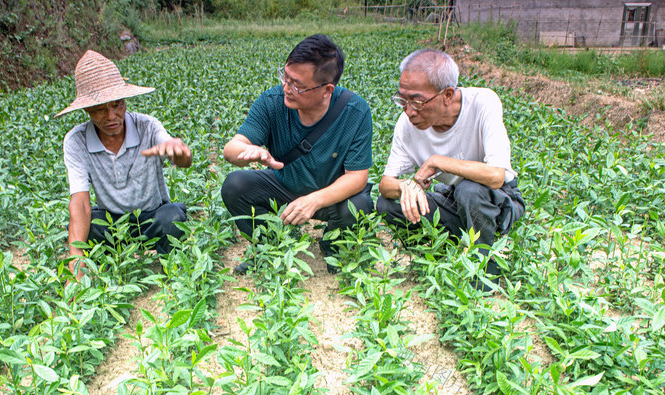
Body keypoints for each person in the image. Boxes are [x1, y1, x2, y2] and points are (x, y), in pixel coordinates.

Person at [221, 34, 373, 274]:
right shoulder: (272, 102)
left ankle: (334, 247)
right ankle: (270, 245)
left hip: (329, 195)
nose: (286, 88)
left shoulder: (355, 111)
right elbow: (231, 149)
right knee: (235, 185)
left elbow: (357, 176)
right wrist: (248, 151)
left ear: (327, 90)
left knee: (360, 204)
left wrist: (313, 201)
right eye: (285, 77)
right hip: (284, 186)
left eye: (297, 85)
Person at [377, 48, 526, 286]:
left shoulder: (482, 103)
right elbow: (386, 184)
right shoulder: (407, 125)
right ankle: (438, 255)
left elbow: (496, 176)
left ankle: (484, 268)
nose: (408, 111)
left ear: (447, 94)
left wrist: (438, 161)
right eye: (402, 100)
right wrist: (408, 186)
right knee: (387, 203)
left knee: (470, 190)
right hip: (452, 200)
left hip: (496, 199)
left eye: (416, 101)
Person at [55, 50, 192, 279]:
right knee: (83, 228)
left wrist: (179, 151)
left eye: (117, 105)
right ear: (86, 109)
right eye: (100, 109)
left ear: (125, 101)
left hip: (152, 217)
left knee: (173, 218)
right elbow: (80, 202)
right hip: (112, 223)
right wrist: (76, 257)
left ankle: (170, 267)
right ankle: (107, 260)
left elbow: (180, 159)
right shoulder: (76, 140)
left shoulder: (147, 126)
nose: (111, 116)